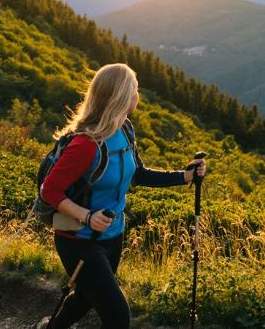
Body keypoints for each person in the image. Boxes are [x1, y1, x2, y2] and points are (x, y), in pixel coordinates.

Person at [40, 63, 206, 328]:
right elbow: (49, 190)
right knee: (118, 315)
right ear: (122, 96)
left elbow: (138, 174)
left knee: (86, 297)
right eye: (135, 89)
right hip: (78, 240)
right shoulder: (85, 144)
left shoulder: (125, 129)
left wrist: (184, 177)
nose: (138, 95)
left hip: (113, 235)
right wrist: (87, 216)